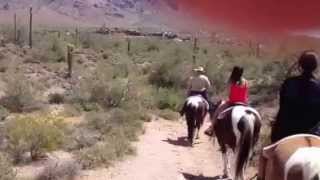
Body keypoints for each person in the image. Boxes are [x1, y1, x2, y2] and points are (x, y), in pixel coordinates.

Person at [271, 50, 320, 143]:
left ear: (300, 65)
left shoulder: (289, 82)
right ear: (315, 66)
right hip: (311, 133)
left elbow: (283, 106)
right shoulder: (319, 86)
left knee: (269, 153)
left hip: (285, 131)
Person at [205, 66, 249, 136]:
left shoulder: (231, 81)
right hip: (243, 103)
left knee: (217, 112)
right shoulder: (246, 81)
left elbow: (228, 93)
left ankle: (211, 128)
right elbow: (246, 94)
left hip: (232, 102)